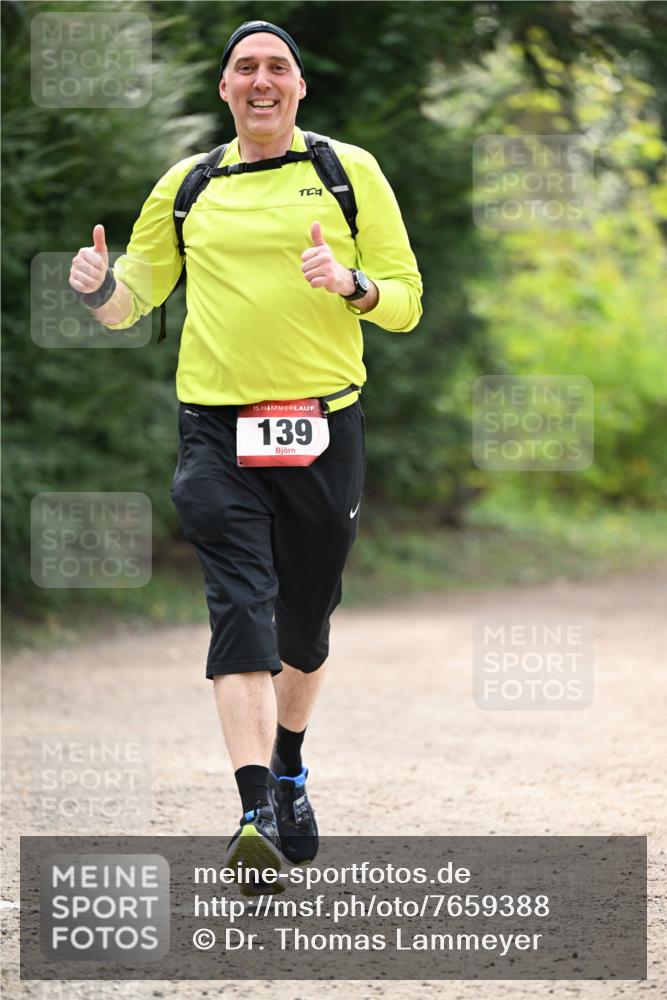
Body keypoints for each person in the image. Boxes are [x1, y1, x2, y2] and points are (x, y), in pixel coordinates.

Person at [69, 20, 422, 892]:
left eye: (276, 68)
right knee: (240, 610)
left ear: (298, 88)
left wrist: (352, 285)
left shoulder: (347, 173)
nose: (260, 81)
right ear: (223, 89)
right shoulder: (188, 185)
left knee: (304, 626)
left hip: (321, 428)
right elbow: (134, 301)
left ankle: (291, 768)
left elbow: (406, 300)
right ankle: (253, 808)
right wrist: (101, 292)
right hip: (216, 431)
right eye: (243, 69)